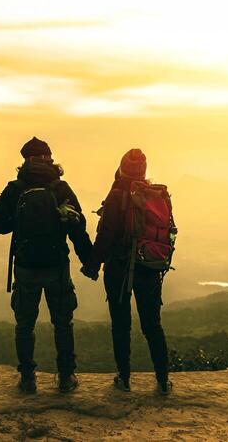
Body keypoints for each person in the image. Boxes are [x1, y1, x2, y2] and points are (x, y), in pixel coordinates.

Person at [0, 136, 95, 393]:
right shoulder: (61, 189)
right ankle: (66, 377)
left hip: (25, 267)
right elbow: (78, 228)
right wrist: (89, 261)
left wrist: (18, 221)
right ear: (50, 159)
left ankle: (27, 378)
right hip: (56, 267)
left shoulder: (15, 188)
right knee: (63, 323)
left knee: (25, 325)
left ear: (25, 160)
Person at [86, 148, 175, 394]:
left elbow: (106, 235)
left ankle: (124, 379)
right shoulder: (154, 195)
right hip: (149, 267)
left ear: (121, 169)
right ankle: (163, 380)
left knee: (121, 323)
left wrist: (93, 265)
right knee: (152, 324)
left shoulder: (118, 195)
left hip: (120, 269)